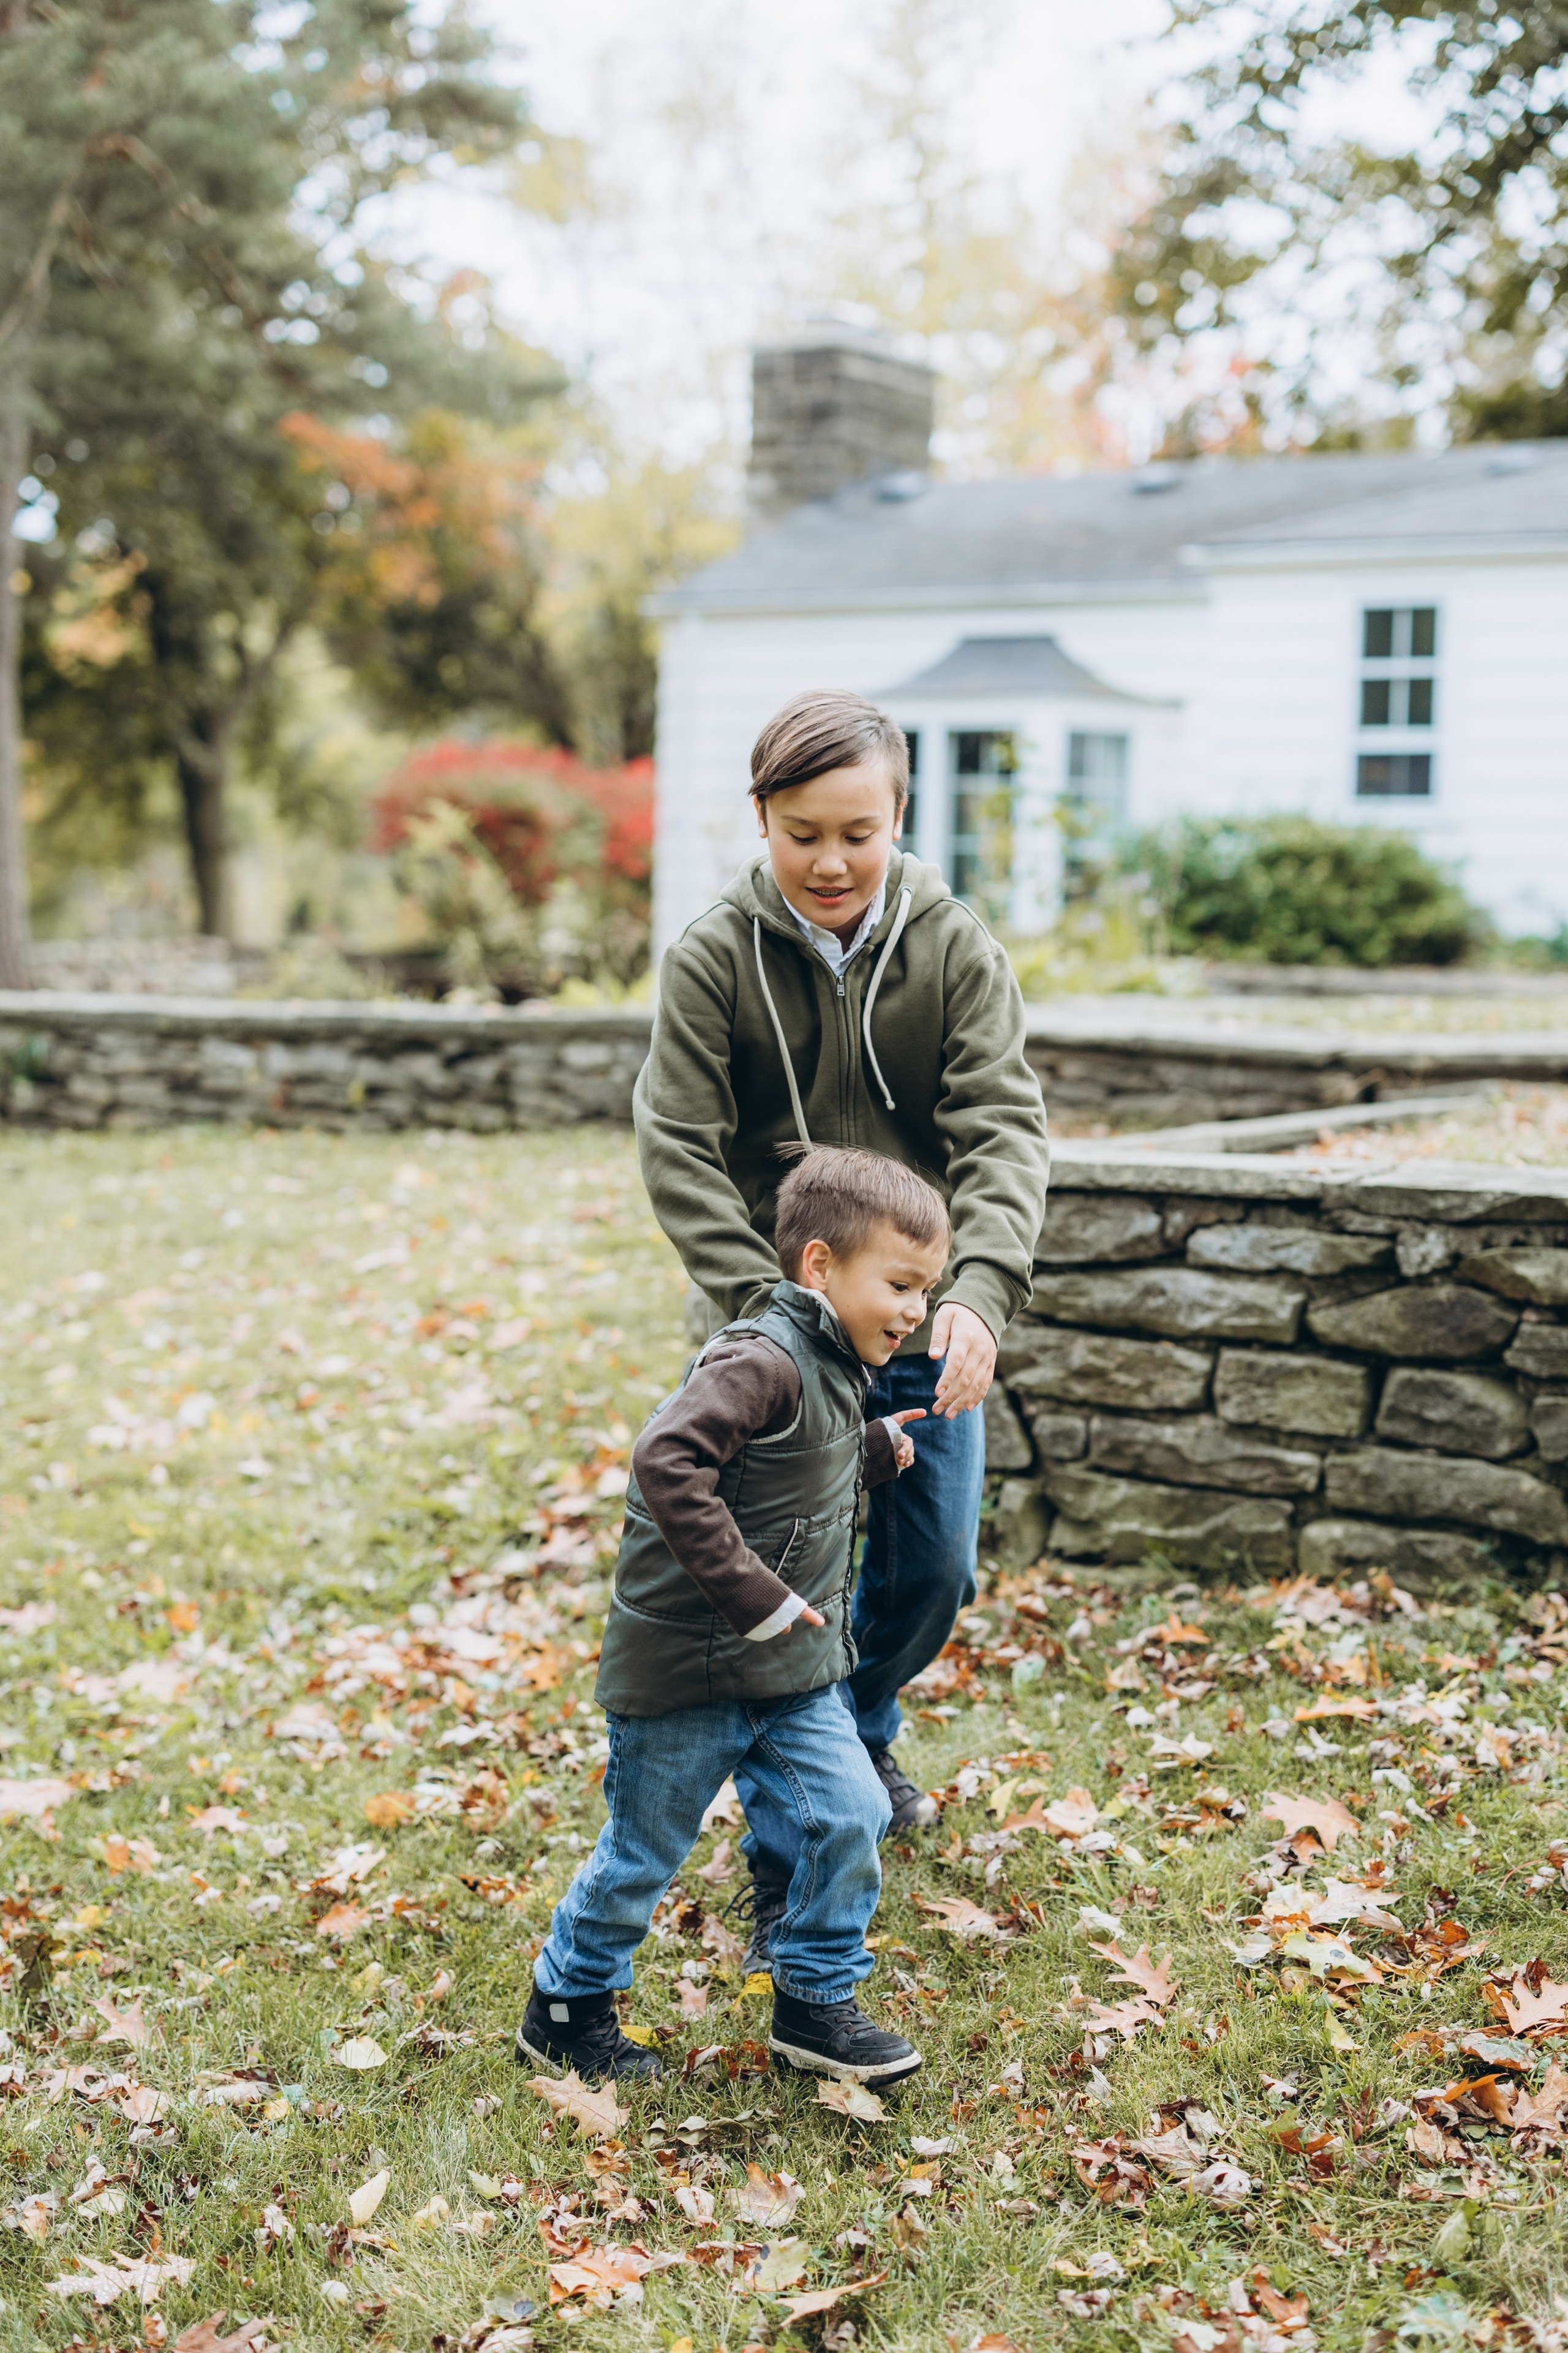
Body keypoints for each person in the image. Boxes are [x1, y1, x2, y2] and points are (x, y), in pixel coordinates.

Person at [633, 688, 1050, 1970]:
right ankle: (791, 1848)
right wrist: (774, 1310)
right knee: (790, 1594)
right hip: (778, 1340)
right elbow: (675, 1146)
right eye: (802, 831)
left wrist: (973, 1293)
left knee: (931, 1570)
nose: (829, 861)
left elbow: (1001, 1133)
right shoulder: (714, 955)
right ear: (760, 818)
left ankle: (858, 1729)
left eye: (858, 833)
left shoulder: (953, 947)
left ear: (899, 818)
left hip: (922, 1320)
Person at [516, 1147, 952, 2087]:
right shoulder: (761, 1356)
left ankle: (813, 1997)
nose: (917, 1309)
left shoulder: (838, 1359)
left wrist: (872, 1450)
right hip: (689, 1671)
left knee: (853, 1813)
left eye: (928, 1289)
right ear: (820, 1266)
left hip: (790, 1675)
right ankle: (566, 2004)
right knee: (644, 1852)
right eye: (902, 1283)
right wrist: (756, 1595)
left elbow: (789, 1465)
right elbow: (668, 1461)